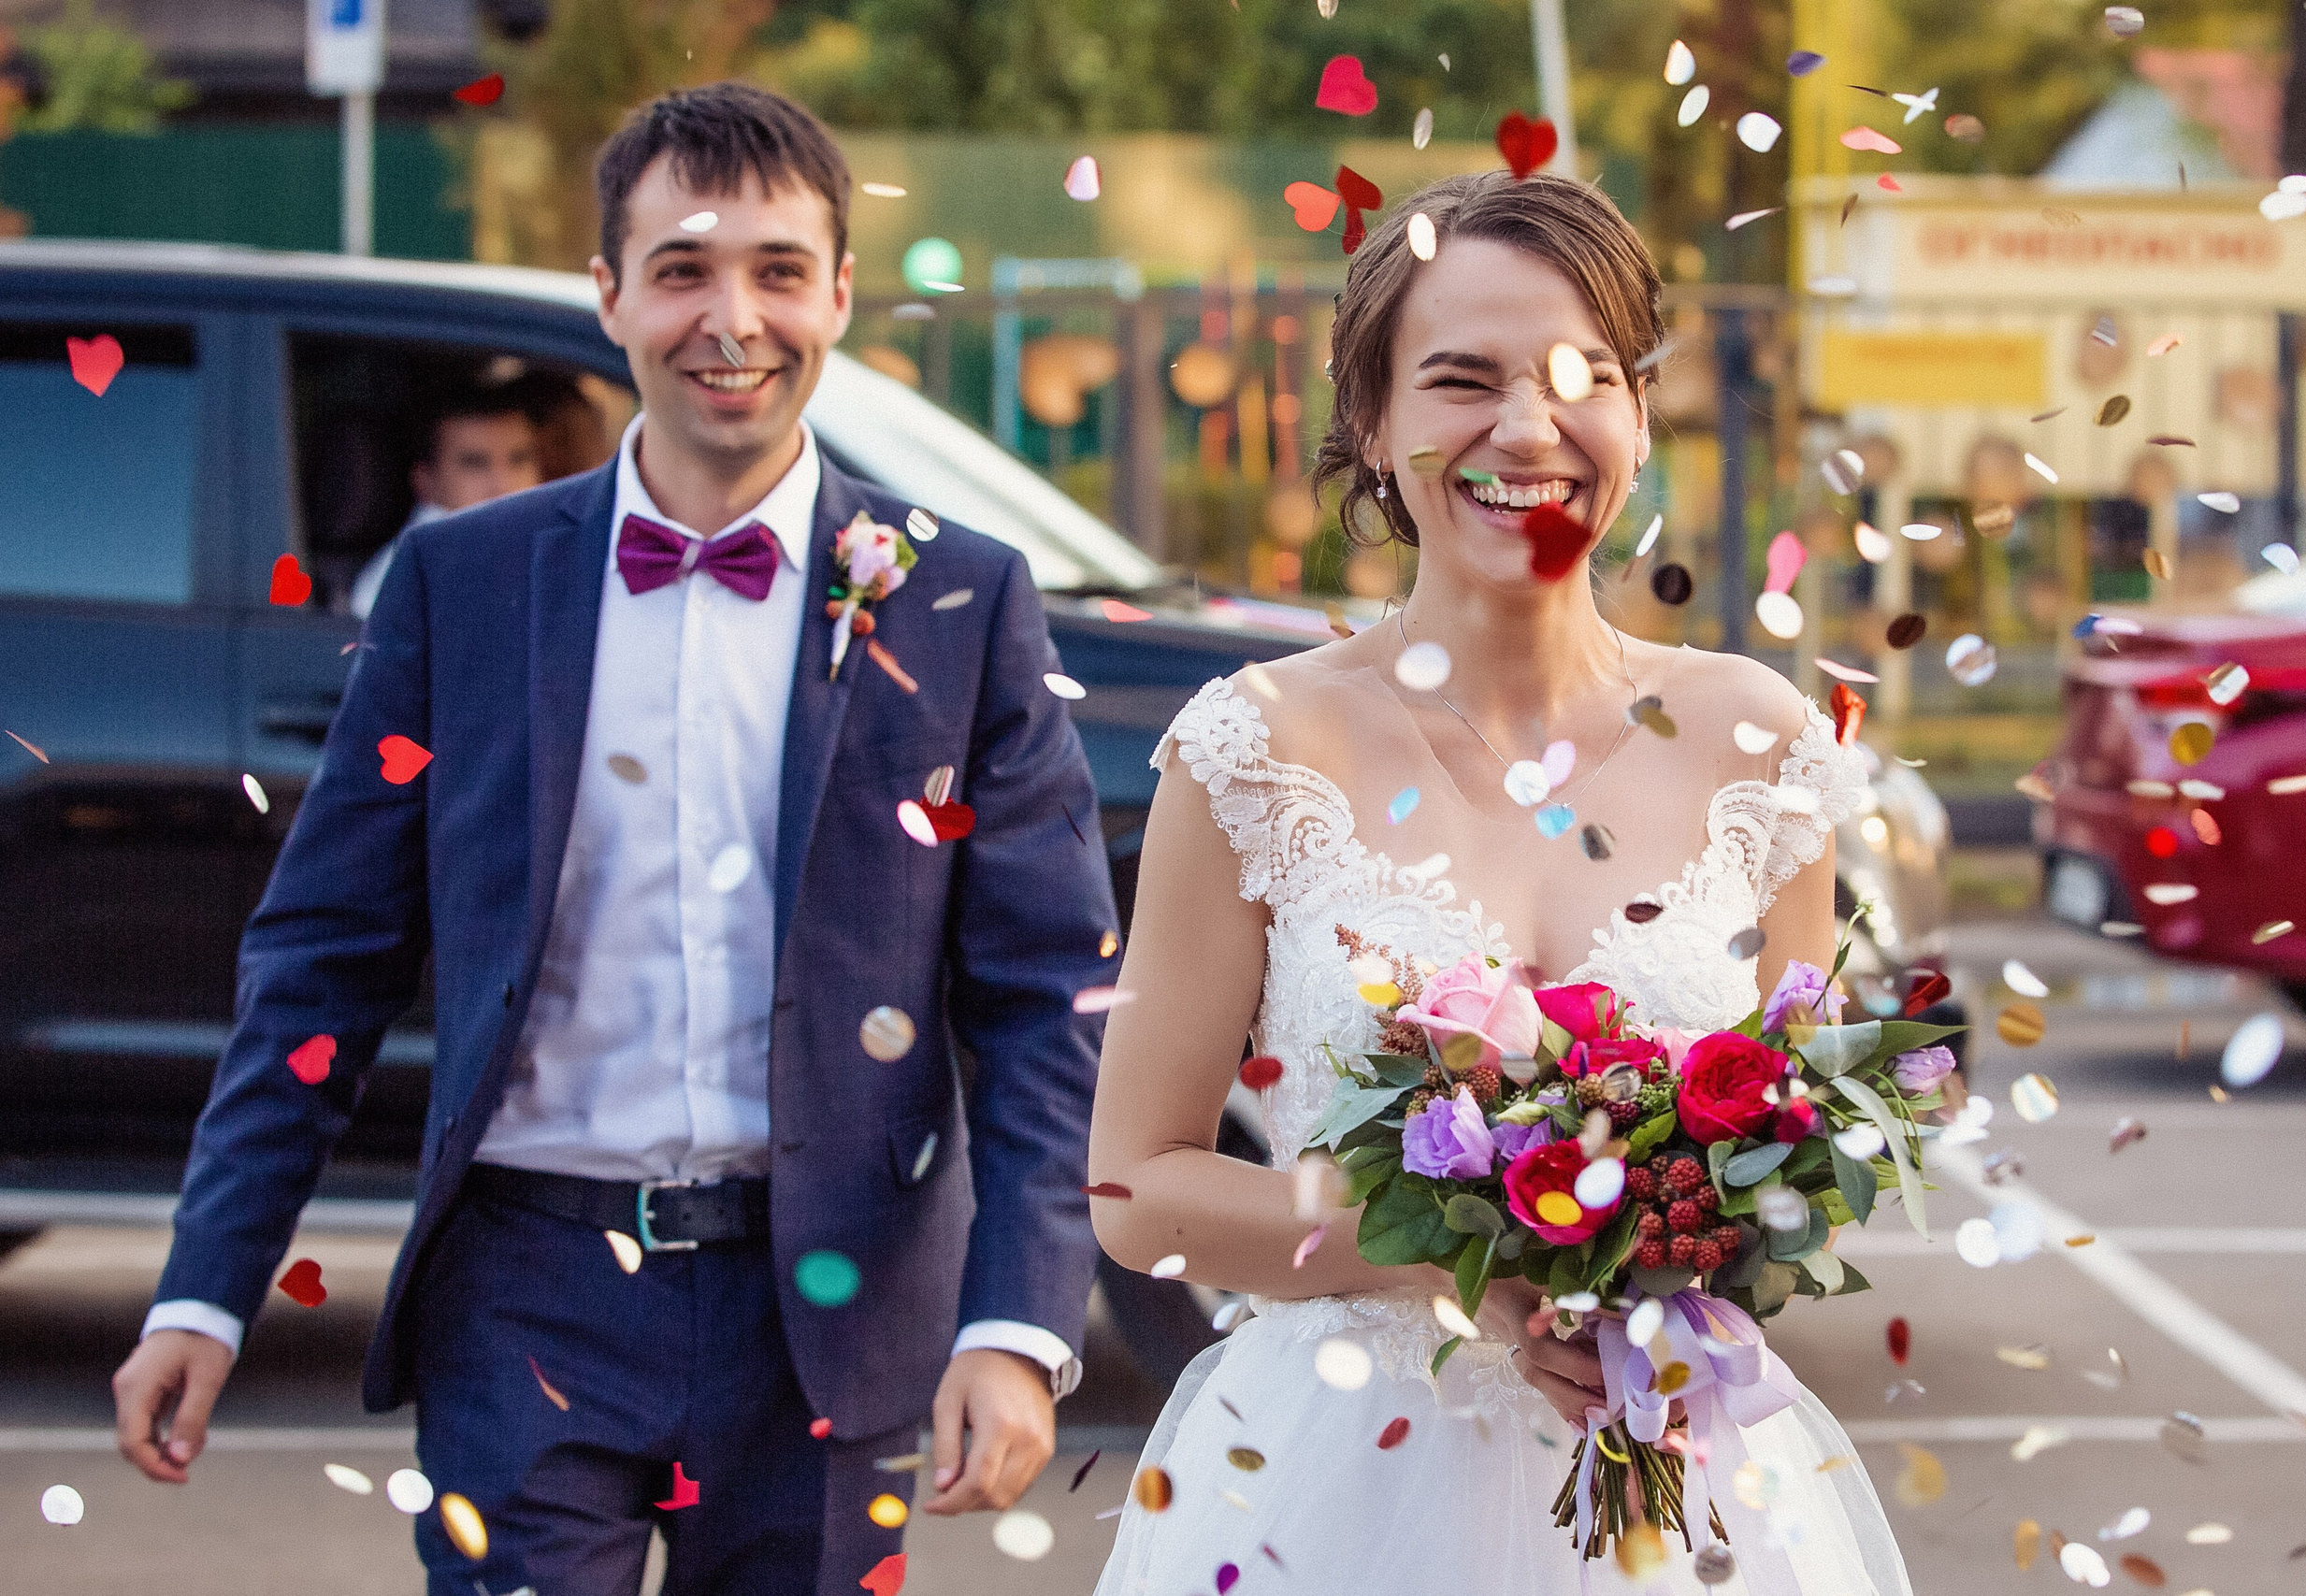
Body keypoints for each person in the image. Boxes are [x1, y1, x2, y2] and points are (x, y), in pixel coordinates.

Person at [111, 82, 1115, 1596]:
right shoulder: (463, 582)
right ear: (610, 294)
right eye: (685, 269)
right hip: (527, 1286)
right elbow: (322, 958)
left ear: (841, 292)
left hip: (831, 1296)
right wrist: (205, 1284)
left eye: (780, 270)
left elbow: (1043, 997)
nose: (734, 318)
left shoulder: (955, 598)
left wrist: (1018, 1323)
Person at [1087, 172, 1912, 1594]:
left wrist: (1676, 1249)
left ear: (1640, 419)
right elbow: (1135, 1187)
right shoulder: (1253, 745)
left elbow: (1791, 1158)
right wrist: (1454, 1255)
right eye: (1460, 378)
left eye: (1582, 377)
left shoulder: (1759, 743)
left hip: (1682, 1481)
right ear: (1372, 422)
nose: (1526, 429)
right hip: (1328, 1487)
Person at [350, 389, 545, 618]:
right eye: (475, 464)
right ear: (426, 482)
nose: (503, 484)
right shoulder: (411, 573)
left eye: (519, 459)